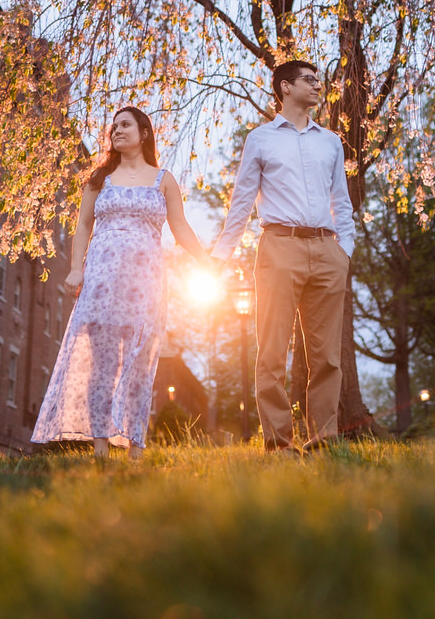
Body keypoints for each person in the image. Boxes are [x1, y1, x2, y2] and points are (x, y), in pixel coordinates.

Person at [32, 105, 207, 457]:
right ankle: (99, 447)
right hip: (102, 281)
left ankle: (135, 448)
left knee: (140, 361)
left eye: (125, 125)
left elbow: (180, 226)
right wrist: (76, 269)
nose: (117, 131)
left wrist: (206, 260)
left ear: (144, 133)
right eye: (113, 127)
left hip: (146, 282)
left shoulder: (163, 179)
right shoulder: (100, 180)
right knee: (103, 362)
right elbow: (82, 227)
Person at [211, 60, 355, 452]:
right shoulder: (260, 139)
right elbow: (241, 203)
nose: (318, 86)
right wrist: (219, 257)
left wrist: (346, 251)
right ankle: (279, 444)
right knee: (272, 351)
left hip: (328, 250)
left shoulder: (330, 141)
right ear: (285, 87)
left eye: (318, 80)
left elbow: (341, 203)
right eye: (309, 80)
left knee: (327, 357)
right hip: (279, 247)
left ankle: (323, 440)